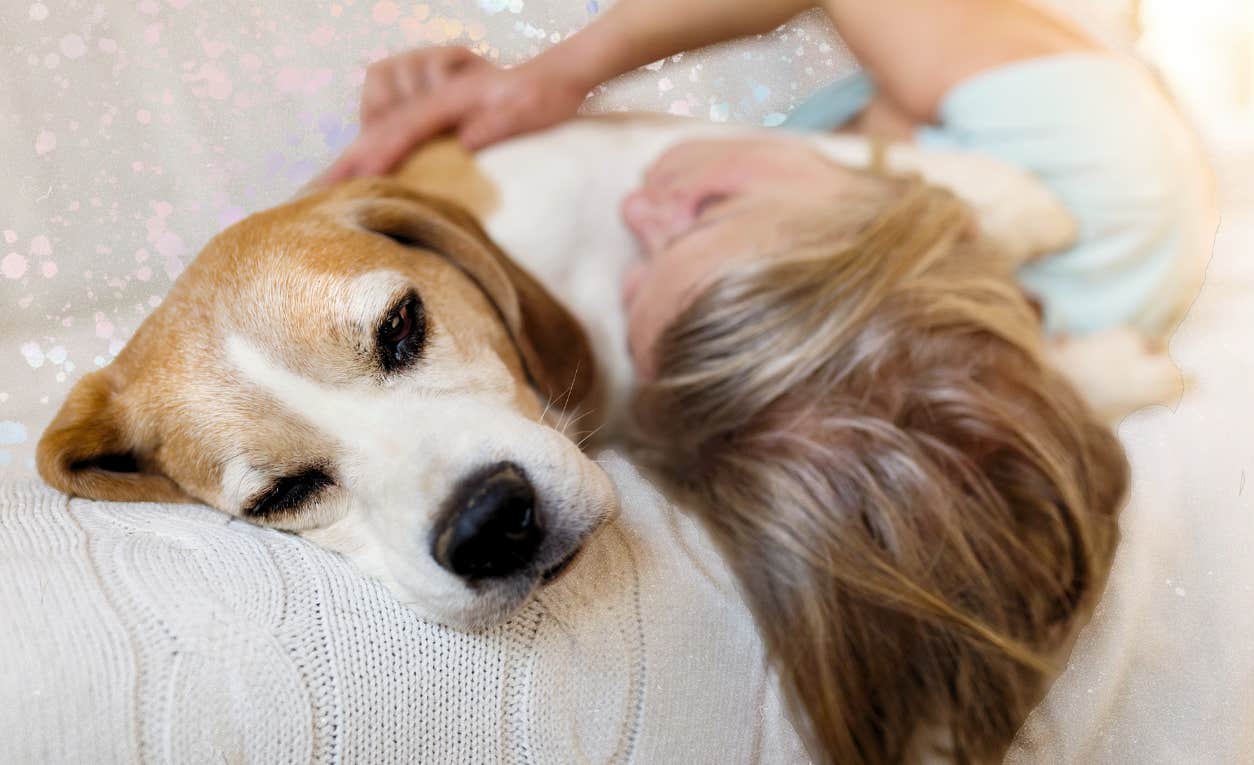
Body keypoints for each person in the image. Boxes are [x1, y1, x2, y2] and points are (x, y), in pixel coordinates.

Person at [322, 1, 1207, 762]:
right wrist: (557, 79)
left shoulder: (824, 316)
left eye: (642, 270)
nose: (636, 209)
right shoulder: (1096, 167)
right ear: (869, 245)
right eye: (702, 218)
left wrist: (443, 144)